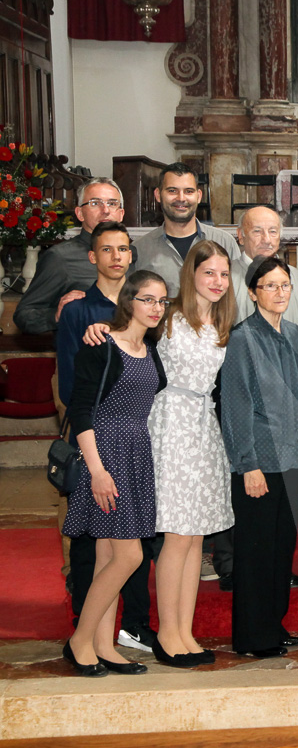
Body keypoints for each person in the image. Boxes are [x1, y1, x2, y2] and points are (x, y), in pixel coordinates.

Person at [60, 270, 169, 677]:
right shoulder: (101, 345)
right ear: (128, 301)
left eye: (162, 301)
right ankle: (80, 640)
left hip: (136, 453)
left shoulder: (149, 348)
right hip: (105, 455)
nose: (156, 308)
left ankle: (103, 644)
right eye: (147, 299)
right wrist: (97, 471)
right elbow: (80, 410)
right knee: (130, 556)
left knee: (108, 556)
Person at [148, 240, 237, 667]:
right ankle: (167, 634)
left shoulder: (221, 324)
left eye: (224, 274)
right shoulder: (167, 317)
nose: (217, 281)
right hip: (171, 423)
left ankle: (185, 631)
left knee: (196, 535)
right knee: (177, 535)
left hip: (203, 424)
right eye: (209, 273)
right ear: (192, 274)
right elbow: (123, 323)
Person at [220, 256, 298, 659]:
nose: (279, 292)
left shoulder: (293, 332)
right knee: (255, 550)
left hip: (292, 458)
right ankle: (253, 636)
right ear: (253, 293)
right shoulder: (243, 338)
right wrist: (248, 464)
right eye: (269, 286)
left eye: (284, 285)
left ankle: (273, 624)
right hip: (259, 459)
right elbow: (236, 406)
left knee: (280, 548)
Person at [14, 178, 127, 335]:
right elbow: (24, 315)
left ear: (121, 214)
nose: (105, 210)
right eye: (95, 203)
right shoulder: (60, 257)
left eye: (112, 203)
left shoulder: (132, 254)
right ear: (80, 213)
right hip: (81, 347)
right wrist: (56, 314)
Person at [133, 162, 240, 295]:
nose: (181, 198)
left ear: (199, 196)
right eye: (172, 191)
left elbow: (237, 295)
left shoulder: (224, 242)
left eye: (188, 191)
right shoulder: (140, 249)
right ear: (158, 195)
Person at [233, 206, 298, 326]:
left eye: (273, 232)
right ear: (241, 236)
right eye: (257, 231)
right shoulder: (225, 277)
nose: (267, 240)